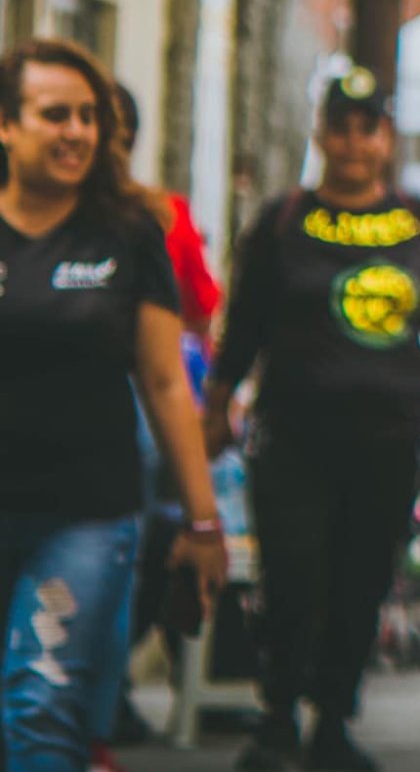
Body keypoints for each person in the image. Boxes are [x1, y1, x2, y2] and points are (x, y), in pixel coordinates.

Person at [205, 68, 420, 772]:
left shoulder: (416, 222)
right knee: (294, 576)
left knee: (361, 579)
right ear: (322, 135)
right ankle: (277, 716)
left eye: (368, 128)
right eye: (341, 127)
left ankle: (333, 718)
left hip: (387, 439)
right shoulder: (282, 222)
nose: (354, 142)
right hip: (294, 438)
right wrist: (213, 408)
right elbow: (242, 329)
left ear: (386, 138)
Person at [0, 38, 228, 771]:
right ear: (7, 124)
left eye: (88, 116)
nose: (75, 131)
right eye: (53, 114)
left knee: (42, 705)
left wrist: (202, 519)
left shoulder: (129, 234)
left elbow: (166, 382)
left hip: (85, 515)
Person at [100, 85, 225, 754]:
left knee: (140, 537)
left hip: (141, 394)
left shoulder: (160, 215)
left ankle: (108, 686)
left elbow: (200, 313)